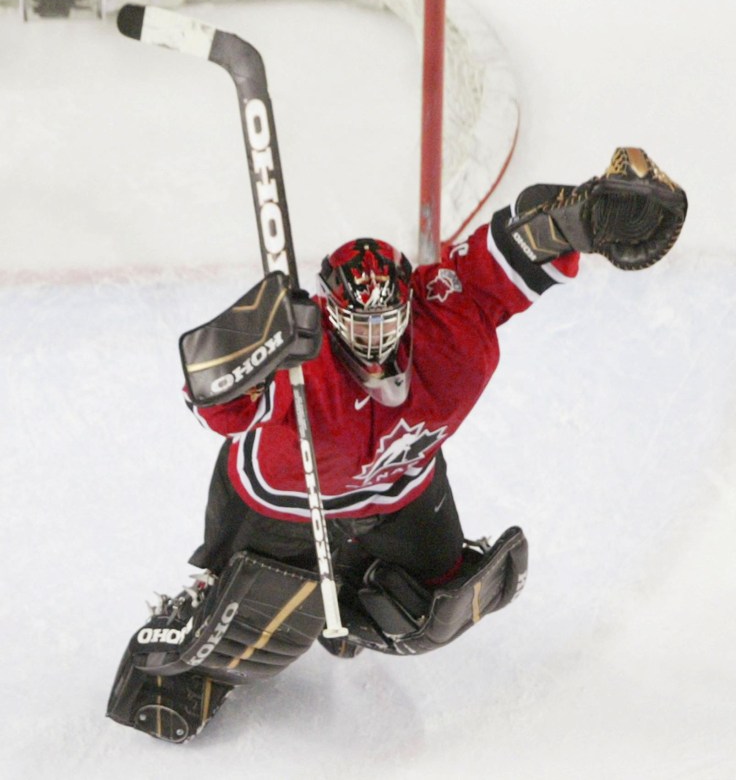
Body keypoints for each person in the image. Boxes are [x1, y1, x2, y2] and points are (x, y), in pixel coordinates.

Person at [107, 147, 687, 742]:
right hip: (285, 501)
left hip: (401, 489)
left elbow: (510, 250)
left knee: (424, 613)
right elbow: (211, 399)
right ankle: (186, 659)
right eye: (357, 324)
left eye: (387, 320)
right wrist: (259, 338)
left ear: (411, 301)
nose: (374, 340)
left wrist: (582, 218)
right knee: (235, 624)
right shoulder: (296, 366)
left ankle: (347, 605)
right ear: (330, 312)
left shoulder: (448, 322)